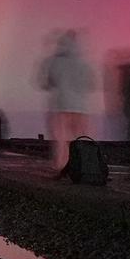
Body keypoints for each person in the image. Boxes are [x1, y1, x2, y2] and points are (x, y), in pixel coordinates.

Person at [34, 29, 95, 176]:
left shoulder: (53, 61)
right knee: (81, 139)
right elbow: (91, 85)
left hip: (60, 105)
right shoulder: (84, 64)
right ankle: (85, 166)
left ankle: (62, 167)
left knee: (61, 140)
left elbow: (45, 83)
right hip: (81, 108)